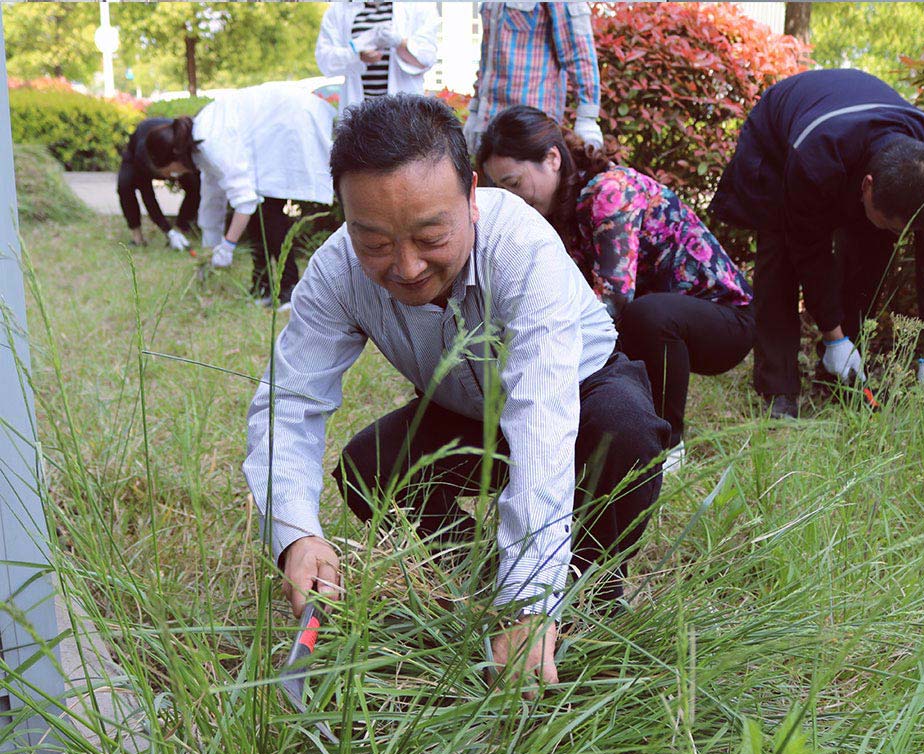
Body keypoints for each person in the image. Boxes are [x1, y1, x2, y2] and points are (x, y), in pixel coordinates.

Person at [243, 95, 668, 690]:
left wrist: (530, 596)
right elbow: (290, 401)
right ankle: (479, 579)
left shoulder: (520, 246)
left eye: (430, 235)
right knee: (369, 467)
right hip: (464, 407)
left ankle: (586, 593)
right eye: (375, 242)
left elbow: (542, 418)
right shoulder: (335, 270)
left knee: (627, 433)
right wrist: (296, 534)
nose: (407, 267)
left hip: (578, 391)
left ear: (471, 195)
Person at [478, 105, 753, 471]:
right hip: (665, 319)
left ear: (552, 159)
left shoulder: (609, 191)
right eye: (502, 189)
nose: (512, 198)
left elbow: (613, 301)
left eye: (514, 183)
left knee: (640, 316)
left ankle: (668, 447)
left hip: (727, 321)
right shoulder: (554, 212)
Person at [711, 69, 924, 418]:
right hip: (783, 137)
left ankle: (839, 378)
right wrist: (834, 336)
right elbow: (808, 249)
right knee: (780, 257)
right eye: (890, 224)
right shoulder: (815, 157)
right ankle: (778, 389)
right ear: (868, 186)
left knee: (871, 255)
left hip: (856, 137)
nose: (898, 236)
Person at [148, 84, 336, 309]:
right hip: (268, 134)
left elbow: (245, 200)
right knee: (259, 218)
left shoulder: (211, 144)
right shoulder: (200, 144)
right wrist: (210, 250)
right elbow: (212, 199)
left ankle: (289, 289)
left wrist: (228, 246)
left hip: (287, 122)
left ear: (173, 156)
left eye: (169, 171)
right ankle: (262, 287)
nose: (173, 175)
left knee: (269, 214)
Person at [462, 2, 603, 155]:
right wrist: (475, 110)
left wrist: (587, 118)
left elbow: (579, 54)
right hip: (489, 125)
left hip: (531, 130)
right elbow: (488, 59)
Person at [315, 1, 440, 113]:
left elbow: (426, 59)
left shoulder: (419, 5)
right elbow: (325, 61)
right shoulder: (340, 8)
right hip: (359, 112)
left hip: (404, 113)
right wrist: (357, 55)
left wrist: (398, 42)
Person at [118, 117, 200, 251]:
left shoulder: (184, 151)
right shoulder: (143, 156)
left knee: (194, 185)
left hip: (170, 152)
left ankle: (181, 230)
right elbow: (148, 196)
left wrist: (178, 229)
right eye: (171, 173)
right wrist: (167, 230)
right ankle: (137, 237)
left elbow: (197, 191)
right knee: (125, 185)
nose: (173, 177)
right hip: (138, 152)